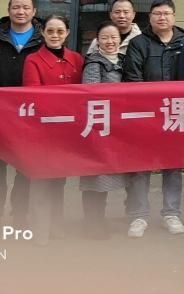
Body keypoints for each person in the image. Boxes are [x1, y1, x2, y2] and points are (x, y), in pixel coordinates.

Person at [123, 0, 184, 237]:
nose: (162, 17)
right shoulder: (138, 43)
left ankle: (171, 213)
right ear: (150, 17)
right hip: (145, 115)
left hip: (176, 114)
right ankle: (139, 216)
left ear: (174, 17)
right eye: (157, 13)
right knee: (141, 167)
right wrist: (149, 108)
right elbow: (132, 78)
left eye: (166, 13)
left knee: (173, 166)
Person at [0, 0, 42, 227]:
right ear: (9, 10)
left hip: (30, 115)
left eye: (26, 7)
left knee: (25, 168)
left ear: (34, 12)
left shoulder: (43, 39)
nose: (20, 12)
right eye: (16, 7)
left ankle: (20, 215)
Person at [22, 15, 84, 245]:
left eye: (60, 31)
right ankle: (39, 230)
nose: (55, 35)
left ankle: (56, 226)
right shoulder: (33, 60)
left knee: (59, 181)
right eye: (50, 31)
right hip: (42, 130)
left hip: (67, 131)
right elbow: (33, 94)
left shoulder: (76, 59)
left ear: (67, 32)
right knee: (40, 179)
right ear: (43, 33)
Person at [79, 22, 128, 239]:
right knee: (94, 178)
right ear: (97, 41)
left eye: (114, 37)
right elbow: (91, 95)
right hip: (97, 127)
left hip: (115, 128)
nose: (110, 41)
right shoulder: (94, 63)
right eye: (105, 37)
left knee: (105, 179)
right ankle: (92, 224)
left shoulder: (124, 60)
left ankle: (99, 220)